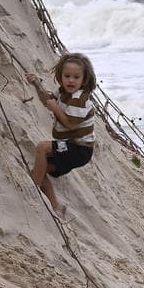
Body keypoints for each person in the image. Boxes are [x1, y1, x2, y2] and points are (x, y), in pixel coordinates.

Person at [27, 53, 98, 217]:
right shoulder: (63, 93)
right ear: (60, 77)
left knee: (42, 147)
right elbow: (47, 101)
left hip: (80, 149)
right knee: (40, 168)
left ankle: (32, 192)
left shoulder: (80, 100)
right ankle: (56, 206)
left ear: (84, 80)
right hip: (70, 145)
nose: (71, 80)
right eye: (67, 76)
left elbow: (70, 123)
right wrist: (37, 85)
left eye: (76, 77)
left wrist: (55, 109)